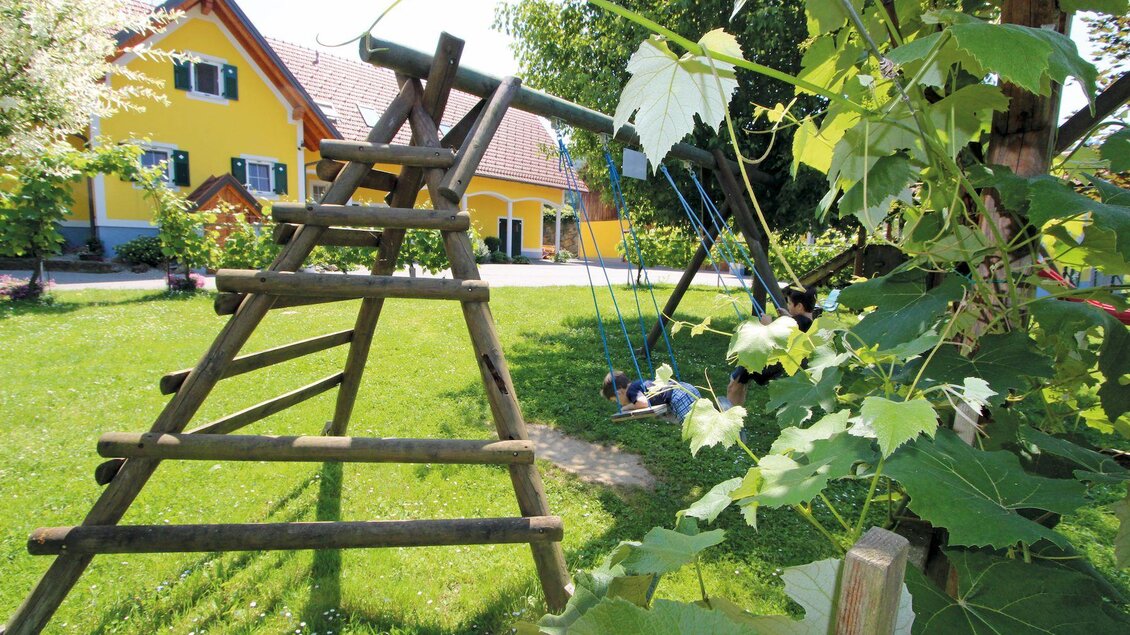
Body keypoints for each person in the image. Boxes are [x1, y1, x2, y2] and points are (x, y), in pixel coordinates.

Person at [727, 286, 818, 407]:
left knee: (734, 385)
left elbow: (774, 338)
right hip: (775, 367)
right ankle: (736, 412)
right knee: (741, 384)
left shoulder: (797, 323)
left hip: (764, 360)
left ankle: (731, 414)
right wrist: (788, 317)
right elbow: (799, 329)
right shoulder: (810, 323)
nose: (789, 306)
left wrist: (767, 325)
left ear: (800, 306)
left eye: (790, 303)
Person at [601, 370, 701, 423]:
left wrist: (627, 407)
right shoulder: (638, 385)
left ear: (619, 393)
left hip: (678, 395)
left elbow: (643, 403)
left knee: (692, 426)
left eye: (616, 401)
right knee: (699, 418)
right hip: (685, 388)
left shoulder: (631, 391)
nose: (619, 403)